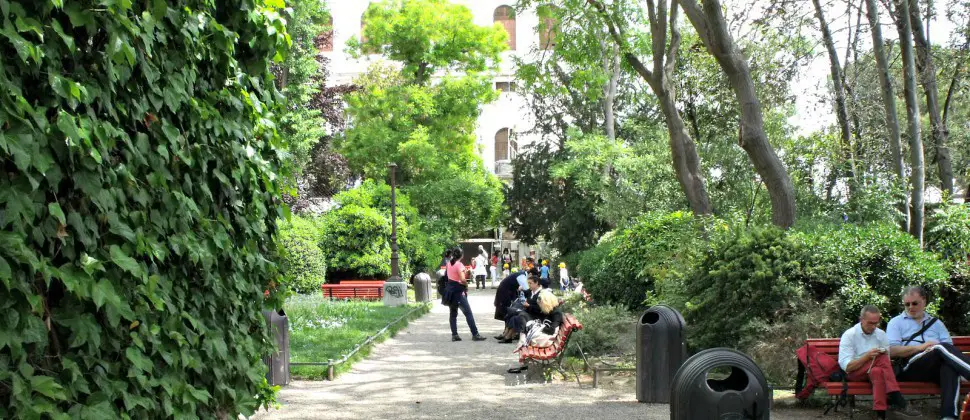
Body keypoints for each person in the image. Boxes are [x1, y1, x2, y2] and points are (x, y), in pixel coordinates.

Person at [888, 286, 970, 420]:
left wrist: (933, 349)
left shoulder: (937, 324)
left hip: (934, 368)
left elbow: (949, 350)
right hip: (909, 368)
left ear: (924, 301)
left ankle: (948, 416)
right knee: (938, 347)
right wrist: (922, 348)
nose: (910, 307)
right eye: (906, 304)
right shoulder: (896, 323)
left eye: (914, 303)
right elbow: (891, 351)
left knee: (949, 367)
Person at [838, 305, 919, 419]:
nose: (873, 326)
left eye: (876, 323)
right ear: (861, 319)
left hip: (874, 371)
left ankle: (880, 414)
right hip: (854, 373)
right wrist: (867, 356)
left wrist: (875, 357)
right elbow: (847, 367)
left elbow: (886, 362)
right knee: (881, 358)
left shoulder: (881, 334)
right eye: (870, 323)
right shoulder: (849, 335)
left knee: (877, 371)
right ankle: (898, 399)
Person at [442, 248, 486, 342]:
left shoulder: (449, 264)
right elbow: (462, 279)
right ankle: (475, 334)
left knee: (453, 314)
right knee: (468, 313)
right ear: (461, 255)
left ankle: (454, 334)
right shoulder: (459, 265)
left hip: (450, 290)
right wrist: (466, 285)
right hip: (458, 291)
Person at [499, 274, 542, 343]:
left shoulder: (541, 294)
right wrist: (520, 289)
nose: (529, 285)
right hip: (527, 313)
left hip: (535, 316)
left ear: (536, 283)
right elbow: (525, 292)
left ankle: (507, 335)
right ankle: (508, 336)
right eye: (528, 283)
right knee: (514, 317)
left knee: (513, 312)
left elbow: (540, 309)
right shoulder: (531, 291)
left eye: (530, 283)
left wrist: (529, 306)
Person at [493, 269, 529, 339]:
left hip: (507, 292)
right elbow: (526, 289)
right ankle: (507, 333)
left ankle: (508, 333)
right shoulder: (521, 276)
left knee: (509, 311)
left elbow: (525, 290)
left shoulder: (520, 275)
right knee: (507, 311)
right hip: (505, 293)